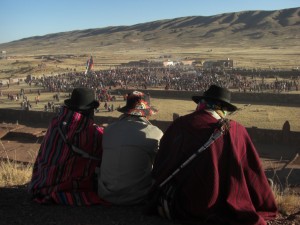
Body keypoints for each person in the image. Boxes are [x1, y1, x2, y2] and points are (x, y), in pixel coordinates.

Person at [148, 85, 278, 225]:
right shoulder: (236, 131)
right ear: (224, 108)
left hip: (179, 203)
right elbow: (252, 173)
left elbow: (160, 166)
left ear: (202, 103)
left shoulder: (179, 125)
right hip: (219, 206)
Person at [28, 87, 106, 206]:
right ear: (91, 110)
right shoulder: (92, 133)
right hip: (65, 186)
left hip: (41, 183)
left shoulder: (54, 124)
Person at [98, 91, 163, 205]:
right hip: (138, 196)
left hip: (105, 193)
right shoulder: (155, 133)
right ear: (146, 113)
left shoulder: (109, 130)